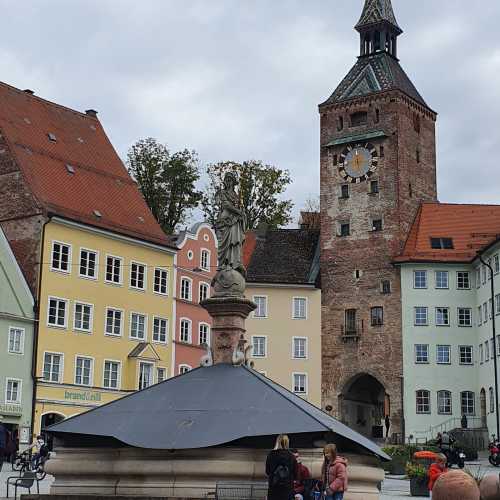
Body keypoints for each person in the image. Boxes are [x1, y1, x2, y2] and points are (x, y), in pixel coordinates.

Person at [265, 434, 297, 500]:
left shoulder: (271, 455)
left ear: (277, 442)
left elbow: (267, 471)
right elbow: (295, 474)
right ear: (287, 443)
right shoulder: (291, 456)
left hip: (274, 489)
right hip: (287, 489)